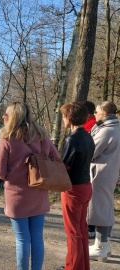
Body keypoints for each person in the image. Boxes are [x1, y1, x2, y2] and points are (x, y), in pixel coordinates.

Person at [0, 102, 59, 270]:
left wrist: (13, 174)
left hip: (17, 195)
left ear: (13, 117)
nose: (3, 116)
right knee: (37, 237)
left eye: (6, 114)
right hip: (39, 191)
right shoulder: (42, 135)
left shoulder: (7, 138)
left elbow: (0, 171)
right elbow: (56, 158)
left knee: (22, 239)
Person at [59, 102, 95, 270]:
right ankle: (82, 266)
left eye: (64, 116)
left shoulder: (71, 139)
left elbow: (64, 166)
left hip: (73, 189)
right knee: (81, 229)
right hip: (86, 185)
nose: (63, 119)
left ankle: (72, 267)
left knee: (73, 232)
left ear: (69, 118)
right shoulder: (88, 136)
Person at [88, 101, 120, 262]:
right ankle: (103, 245)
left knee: (100, 208)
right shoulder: (114, 128)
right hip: (107, 172)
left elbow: (91, 152)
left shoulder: (107, 130)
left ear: (105, 114)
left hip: (100, 173)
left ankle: (100, 246)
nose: (94, 114)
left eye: (97, 112)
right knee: (104, 207)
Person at [79, 100, 97, 239]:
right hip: (88, 164)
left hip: (89, 165)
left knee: (91, 196)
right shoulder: (88, 124)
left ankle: (90, 226)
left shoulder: (91, 125)